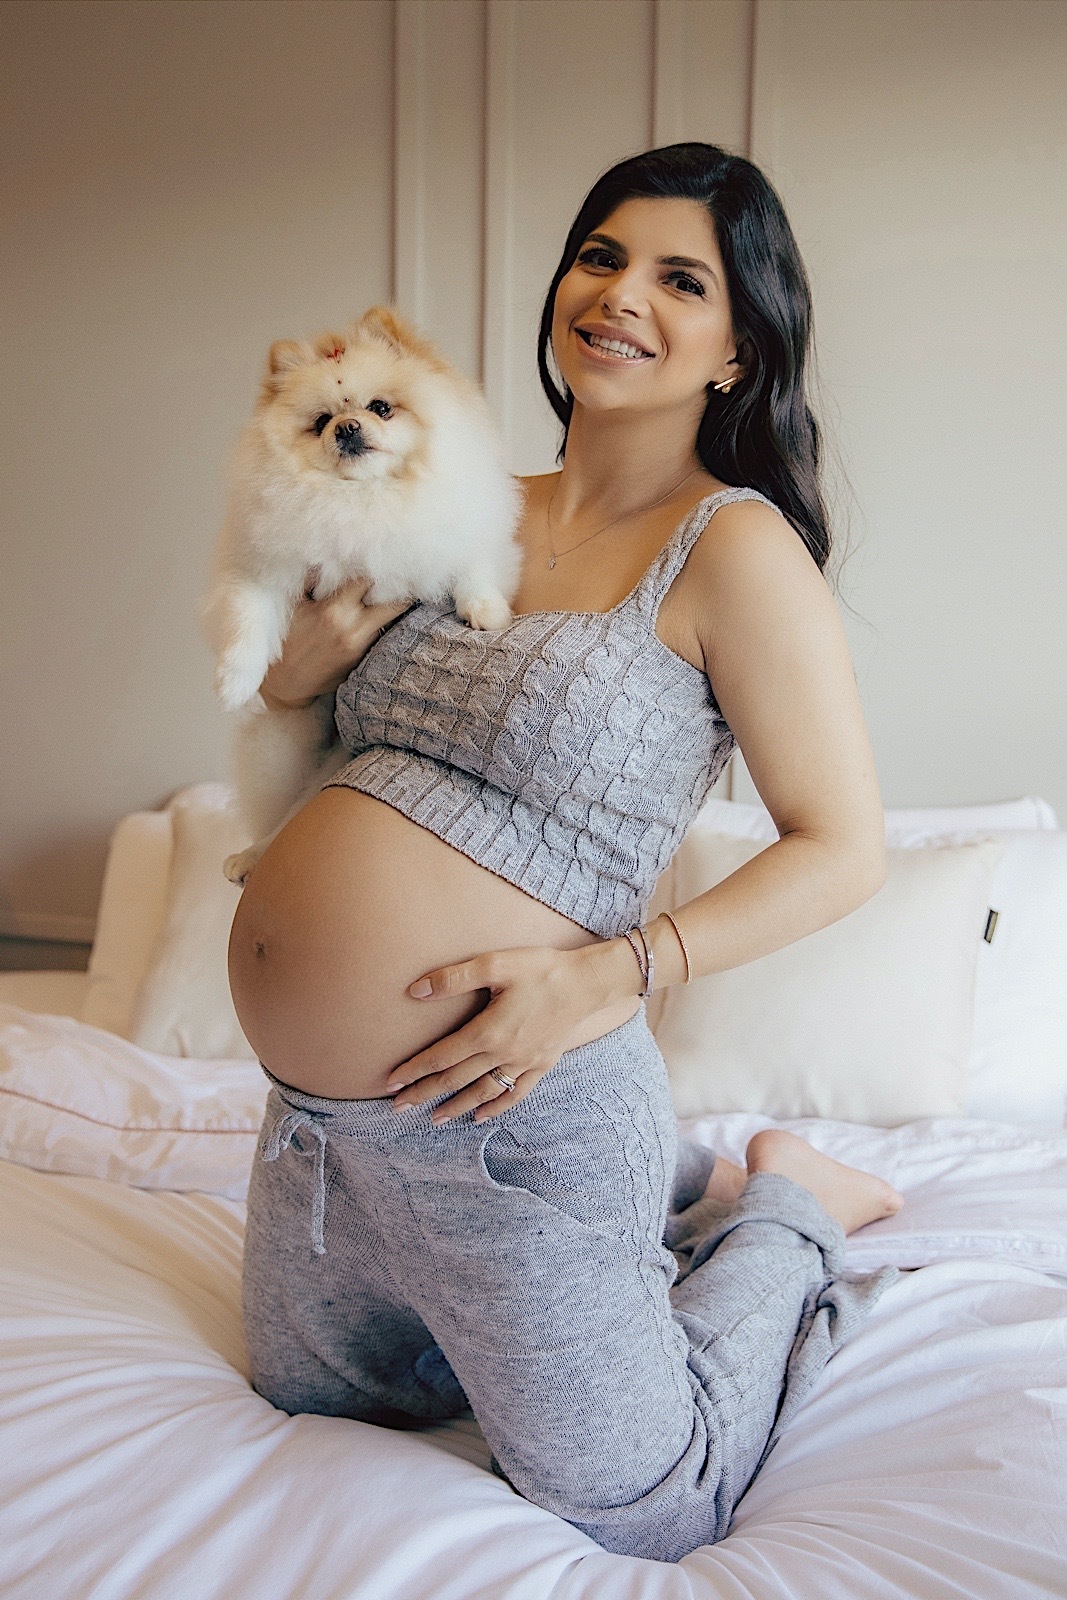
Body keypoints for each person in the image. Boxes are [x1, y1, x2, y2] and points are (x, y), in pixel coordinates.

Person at [231, 142, 903, 1564]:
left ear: (739, 350)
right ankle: (677, 1189)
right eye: (601, 257)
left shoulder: (732, 549)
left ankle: (788, 1203)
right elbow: (296, 698)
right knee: (311, 1401)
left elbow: (844, 847)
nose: (621, 295)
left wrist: (620, 972)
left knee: (650, 1505)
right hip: (322, 1139)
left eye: (682, 280)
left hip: (515, 1114)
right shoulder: (446, 498)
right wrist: (309, 661)